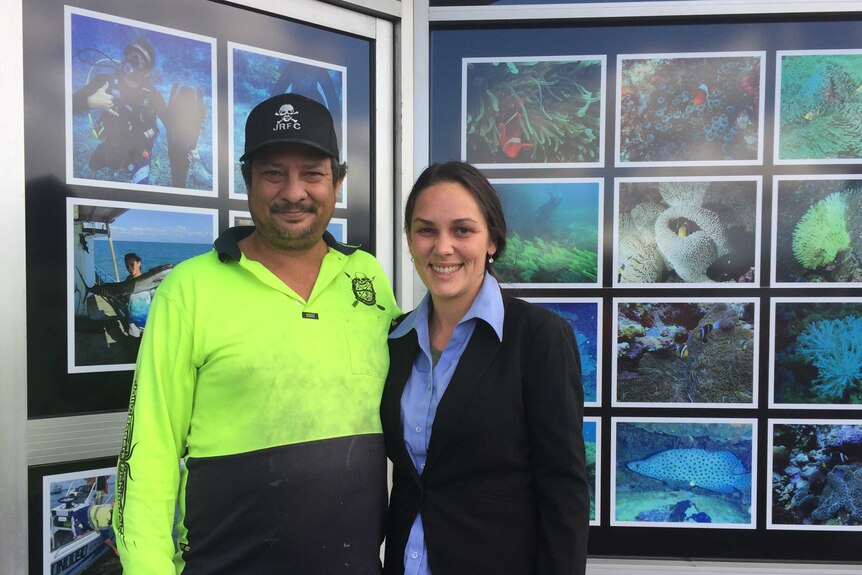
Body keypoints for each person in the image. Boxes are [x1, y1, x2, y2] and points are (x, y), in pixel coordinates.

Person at [113, 93, 399, 574]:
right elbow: (149, 448)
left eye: (312, 173)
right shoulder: (189, 290)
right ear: (247, 181)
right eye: (273, 173)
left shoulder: (366, 277)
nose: (293, 192)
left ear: (338, 182)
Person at [380, 161, 589, 575]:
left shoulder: (539, 337)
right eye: (426, 230)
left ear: (492, 239)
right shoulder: (395, 339)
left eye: (463, 230)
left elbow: (564, 491)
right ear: (408, 239)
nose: (443, 247)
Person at [72, 38, 205, 187]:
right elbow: (69, 106)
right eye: (132, 54)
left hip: (139, 152)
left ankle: (135, 168)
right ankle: (121, 167)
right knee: (93, 165)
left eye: (141, 59)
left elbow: (170, 123)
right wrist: (90, 101)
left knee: (141, 186)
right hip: (113, 143)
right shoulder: (105, 82)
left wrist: (189, 129)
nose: (134, 60)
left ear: (147, 70)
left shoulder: (152, 94)